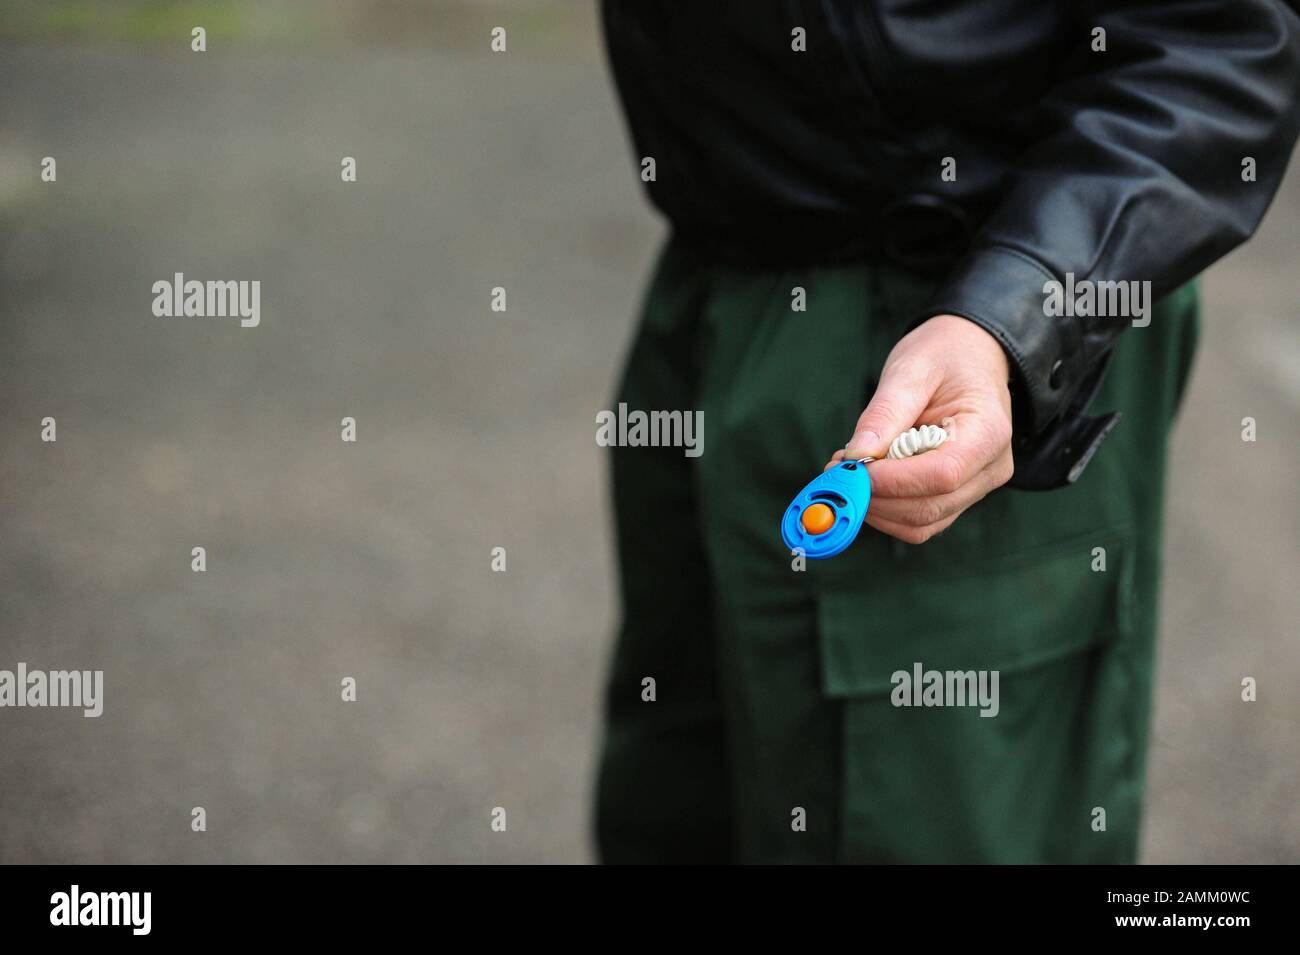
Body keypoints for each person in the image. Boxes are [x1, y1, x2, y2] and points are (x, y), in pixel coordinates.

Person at [593, 2, 1300, 863]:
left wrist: (1019, 313)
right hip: (715, 272)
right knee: (678, 803)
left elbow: (1218, 37)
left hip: (957, 318)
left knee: (927, 828)